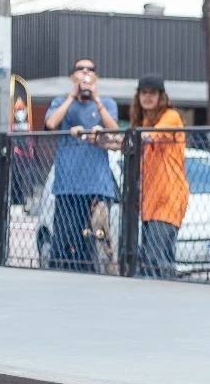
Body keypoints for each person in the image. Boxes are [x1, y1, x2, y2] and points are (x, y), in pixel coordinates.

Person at [43, 57, 120, 272]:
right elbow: (50, 123)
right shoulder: (61, 102)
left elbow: (114, 130)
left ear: (96, 77)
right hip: (68, 186)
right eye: (80, 69)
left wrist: (96, 100)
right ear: (72, 76)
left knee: (96, 242)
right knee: (65, 242)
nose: (85, 73)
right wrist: (72, 95)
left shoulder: (107, 103)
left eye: (90, 70)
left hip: (97, 187)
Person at [130, 74, 187, 280]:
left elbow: (150, 136)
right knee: (150, 259)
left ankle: (164, 304)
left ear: (161, 96)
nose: (147, 97)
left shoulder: (171, 116)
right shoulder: (143, 121)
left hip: (168, 196)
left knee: (156, 258)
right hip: (150, 200)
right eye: (143, 93)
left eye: (152, 93)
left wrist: (130, 136)